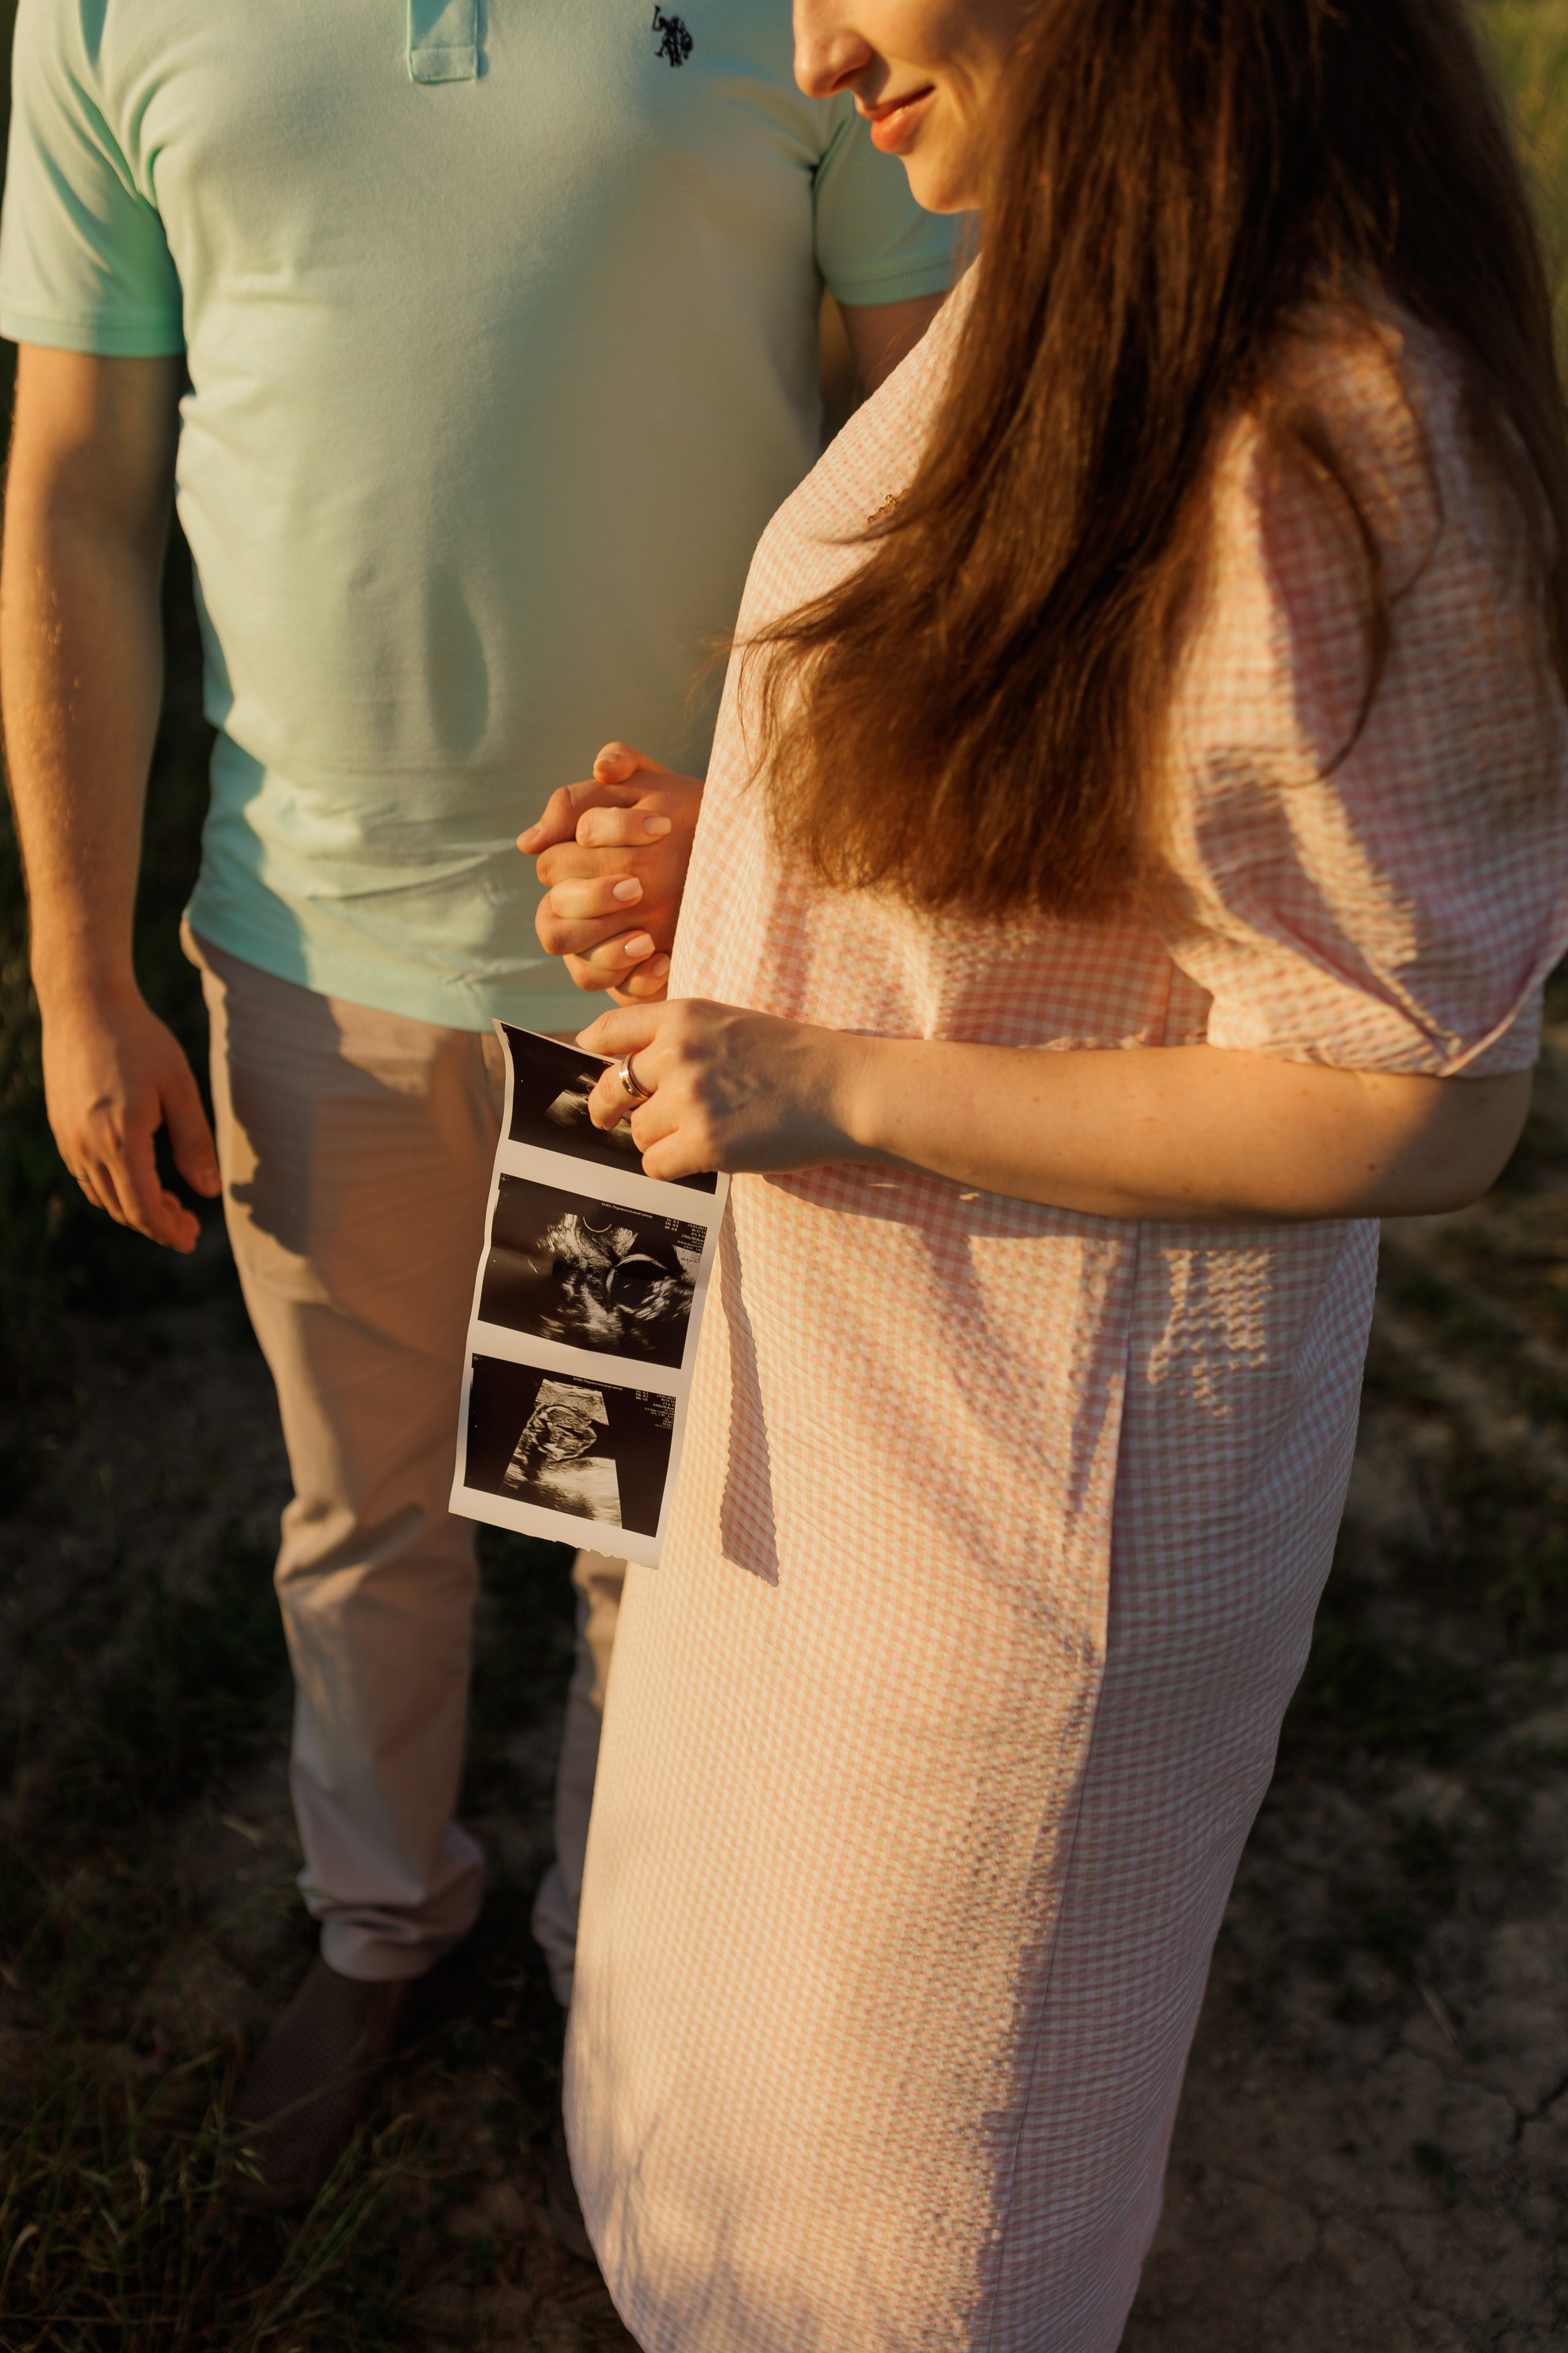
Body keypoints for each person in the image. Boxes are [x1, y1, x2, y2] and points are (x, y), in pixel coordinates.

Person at [526, 0, 1568, 2342]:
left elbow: (1422, 1094)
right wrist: (753, 858)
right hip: (842, 1450)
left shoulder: (1339, 426)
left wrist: (820, 1073)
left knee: (912, 2229)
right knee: (748, 2152)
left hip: (1013, 1537)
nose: (810, 52)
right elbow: (1092, 833)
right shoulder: (1056, 266)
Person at [0, 0, 958, 2213]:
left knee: (636, 1527)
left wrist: (788, 838)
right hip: (308, 958)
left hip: (665, 979)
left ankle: (613, 1968)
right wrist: (76, 971)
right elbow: (75, 488)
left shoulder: (817, 2)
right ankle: (380, 1925)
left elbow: (925, 436)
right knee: (367, 1515)